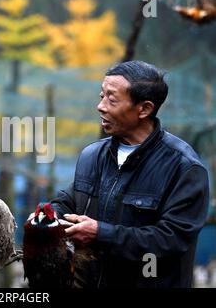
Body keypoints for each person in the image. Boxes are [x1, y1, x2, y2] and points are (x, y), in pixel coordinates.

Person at [50, 60, 209, 288]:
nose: (101, 106)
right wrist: (48, 219)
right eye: (101, 96)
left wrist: (100, 234)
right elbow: (68, 201)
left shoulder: (184, 168)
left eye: (112, 99)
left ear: (144, 109)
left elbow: (171, 240)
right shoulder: (92, 155)